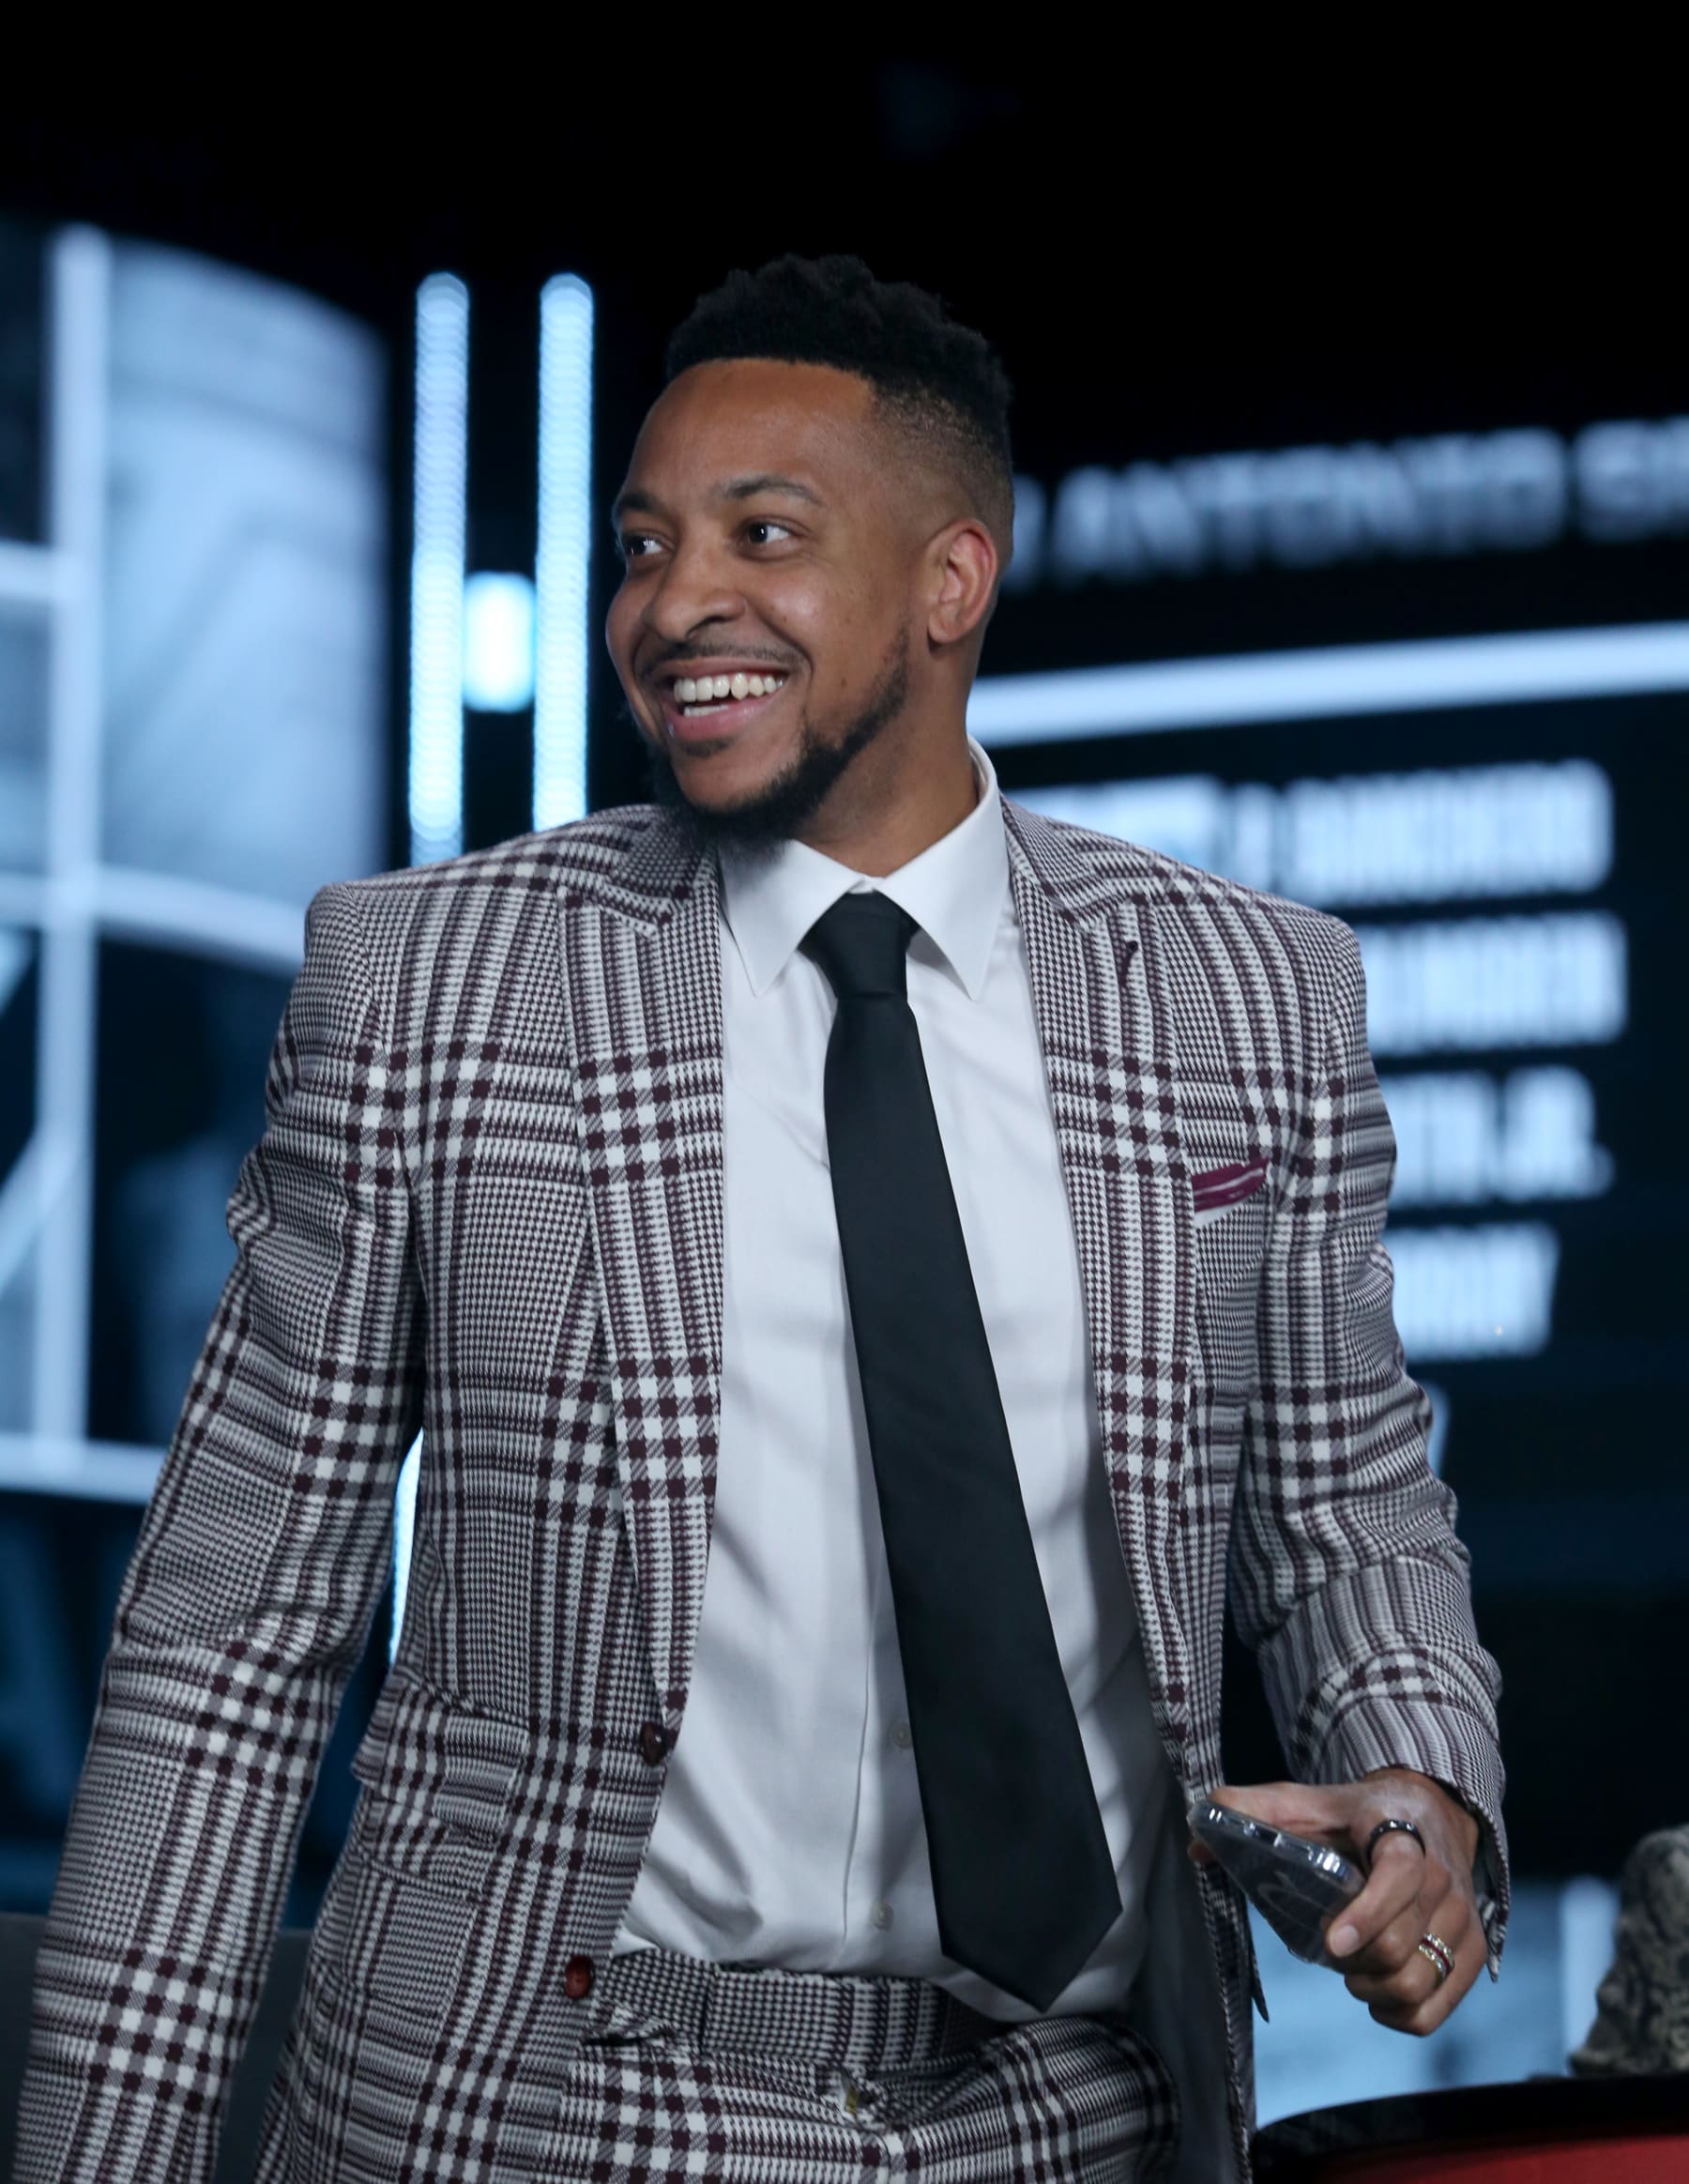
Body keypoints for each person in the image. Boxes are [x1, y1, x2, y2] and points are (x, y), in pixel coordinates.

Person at [18, 254, 1508, 2183]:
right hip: (537, 2114)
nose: (674, 604)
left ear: (950, 583)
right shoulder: (430, 984)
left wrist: (1428, 1797)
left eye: (763, 534)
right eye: (644, 546)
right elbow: (228, 1647)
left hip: (1080, 2119)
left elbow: (1347, 1520)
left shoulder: (1243, 999)